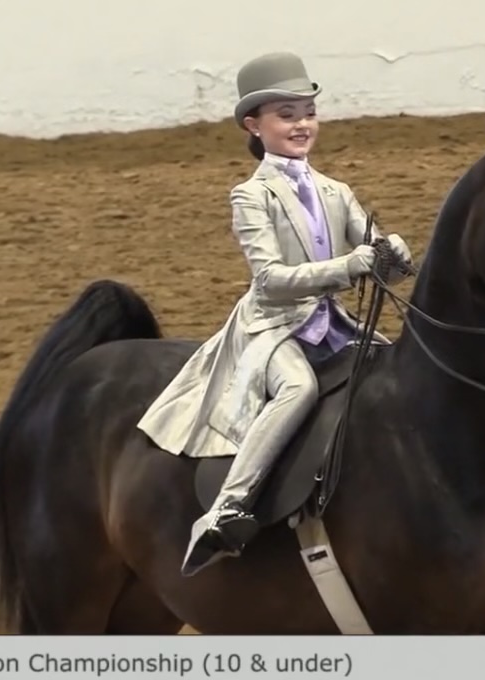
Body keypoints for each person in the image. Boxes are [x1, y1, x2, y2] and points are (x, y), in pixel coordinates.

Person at [134, 51, 414, 577]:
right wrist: (351, 264)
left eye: (307, 112)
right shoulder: (251, 196)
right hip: (272, 327)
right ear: (254, 126)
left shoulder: (337, 192)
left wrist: (392, 255)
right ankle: (226, 509)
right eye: (286, 115)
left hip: (331, 324)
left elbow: (379, 262)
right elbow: (271, 280)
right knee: (298, 389)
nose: (301, 124)